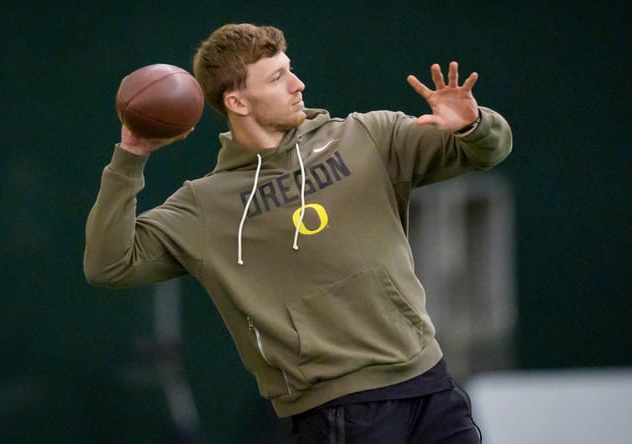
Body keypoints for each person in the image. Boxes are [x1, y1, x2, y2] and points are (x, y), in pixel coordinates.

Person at [85, 23, 512, 443]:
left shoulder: (367, 136)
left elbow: (487, 152)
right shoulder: (206, 203)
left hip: (430, 382)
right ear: (237, 101)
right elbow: (109, 264)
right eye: (277, 77)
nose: (297, 83)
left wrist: (471, 125)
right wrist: (131, 156)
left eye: (290, 68)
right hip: (338, 406)